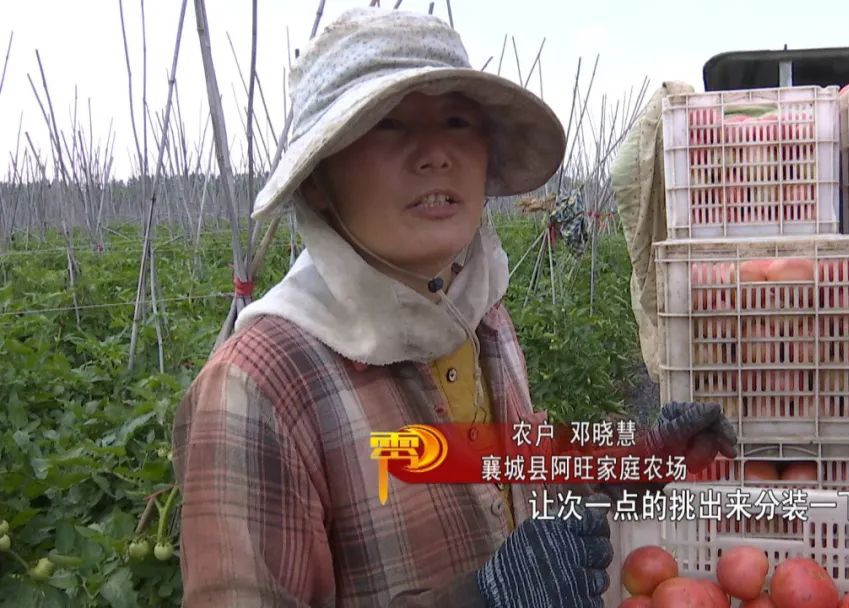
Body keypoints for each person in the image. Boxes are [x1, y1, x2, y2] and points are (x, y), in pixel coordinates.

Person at [171, 6, 737, 607]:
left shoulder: (478, 317)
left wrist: (636, 463)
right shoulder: (259, 386)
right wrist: (479, 599)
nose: (436, 154)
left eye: (458, 121)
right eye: (387, 124)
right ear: (318, 178)